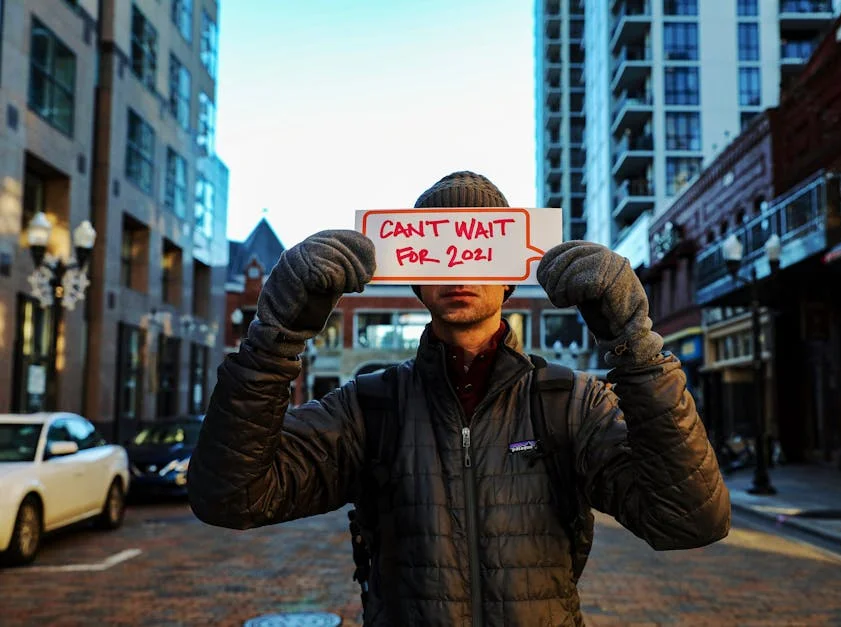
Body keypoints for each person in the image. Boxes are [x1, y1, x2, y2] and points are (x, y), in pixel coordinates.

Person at [188, 171, 730, 627]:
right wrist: (274, 337)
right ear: (415, 279)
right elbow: (229, 496)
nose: (460, 268)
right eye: (439, 254)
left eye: (478, 251)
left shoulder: (571, 402)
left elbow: (689, 520)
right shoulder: (369, 406)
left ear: (511, 278)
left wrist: (637, 351)